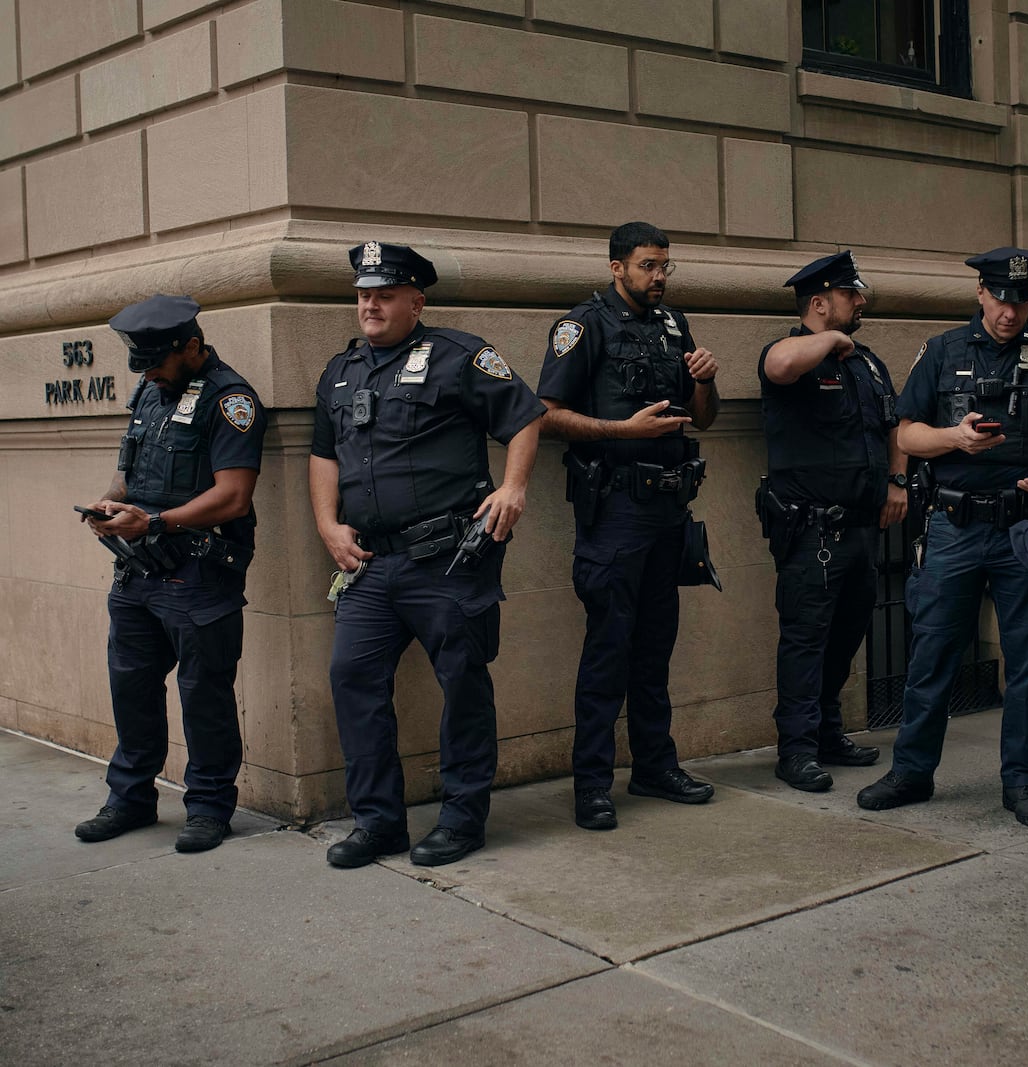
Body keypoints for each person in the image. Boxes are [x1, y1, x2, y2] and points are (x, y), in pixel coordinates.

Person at [310, 242, 543, 869]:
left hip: (445, 559)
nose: (370, 305)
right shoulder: (340, 371)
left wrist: (513, 486)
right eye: (363, 294)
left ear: (417, 300)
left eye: (384, 295)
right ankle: (378, 823)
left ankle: (464, 819)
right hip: (368, 564)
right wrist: (327, 524)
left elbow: (524, 417)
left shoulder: (461, 356)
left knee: (462, 684)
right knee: (352, 679)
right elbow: (324, 453)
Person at [856, 247, 1028, 827]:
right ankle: (912, 772)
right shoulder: (943, 352)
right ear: (980, 294)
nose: (1009, 313)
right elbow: (908, 434)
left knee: (1026, 663)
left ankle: (1021, 782)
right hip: (954, 527)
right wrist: (955, 440)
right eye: (1000, 299)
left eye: (1020, 301)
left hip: (1026, 530)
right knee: (932, 654)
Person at [536, 221, 720, 831]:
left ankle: (654, 766)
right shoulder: (581, 326)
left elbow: (705, 418)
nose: (659, 276)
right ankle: (592, 784)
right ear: (617, 267)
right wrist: (623, 432)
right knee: (607, 652)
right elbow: (546, 417)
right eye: (648, 265)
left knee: (654, 648)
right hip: (615, 512)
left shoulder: (674, 325)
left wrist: (705, 378)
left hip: (668, 510)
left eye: (666, 266)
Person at [75, 294, 266, 853]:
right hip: (138, 573)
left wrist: (153, 523)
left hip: (200, 573)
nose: (150, 373)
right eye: (143, 364)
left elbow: (233, 497)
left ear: (191, 346)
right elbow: (127, 468)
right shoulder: (150, 390)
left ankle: (209, 807)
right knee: (130, 685)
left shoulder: (232, 401)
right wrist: (109, 504)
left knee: (203, 693)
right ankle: (130, 799)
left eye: (158, 362)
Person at [758, 251, 907, 792]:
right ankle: (795, 750)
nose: (861, 301)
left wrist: (897, 481)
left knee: (847, 635)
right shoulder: (791, 353)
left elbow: (895, 425)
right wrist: (827, 341)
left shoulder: (867, 363)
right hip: (811, 531)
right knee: (805, 639)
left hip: (863, 527)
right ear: (819, 303)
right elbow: (779, 366)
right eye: (851, 294)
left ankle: (826, 733)